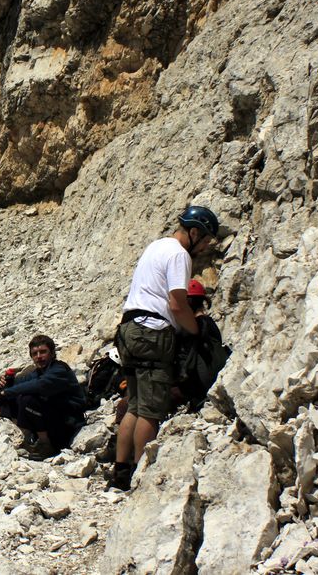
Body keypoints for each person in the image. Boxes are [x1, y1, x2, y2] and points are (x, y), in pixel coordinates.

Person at [107, 205, 219, 491]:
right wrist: (195, 331)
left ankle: (120, 471)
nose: (205, 246)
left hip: (129, 330)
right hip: (152, 332)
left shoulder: (156, 246)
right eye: (205, 240)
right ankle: (140, 474)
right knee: (151, 409)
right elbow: (176, 304)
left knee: (134, 403)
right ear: (194, 232)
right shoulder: (179, 255)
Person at [0, 334, 86, 461]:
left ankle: (46, 444)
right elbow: (21, 383)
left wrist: (7, 393)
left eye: (43, 352)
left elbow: (40, 385)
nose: (39, 357)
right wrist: (6, 384)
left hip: (69, 422)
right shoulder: (38, 372)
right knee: (11, 399)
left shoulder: (59, 369)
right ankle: (28, 438)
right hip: (54, 419)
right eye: (35, 353)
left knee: (27, 399)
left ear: (52, 353)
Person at [172, 279, 230, 412]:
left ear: (187, 302)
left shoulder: (190, 329)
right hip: (214, 382)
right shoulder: (210, 324)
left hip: (197, 388)